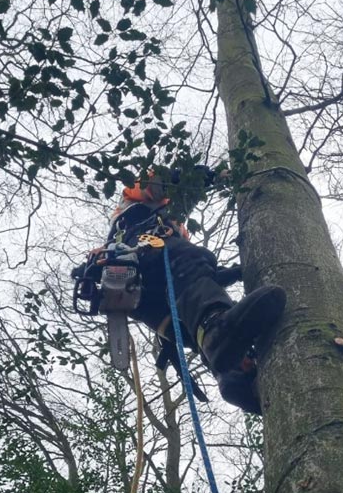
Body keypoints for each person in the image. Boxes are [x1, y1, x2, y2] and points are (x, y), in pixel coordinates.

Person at [72, 166, 286, 414]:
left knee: (187, 328)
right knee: (193, 264)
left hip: (151, 298)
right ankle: (216, 330)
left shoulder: (174, 236)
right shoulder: (136, 205)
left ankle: (235, 375)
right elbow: (157, 183)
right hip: (146, 258)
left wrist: (237, 272)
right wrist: (208, 176)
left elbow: (200, 281)